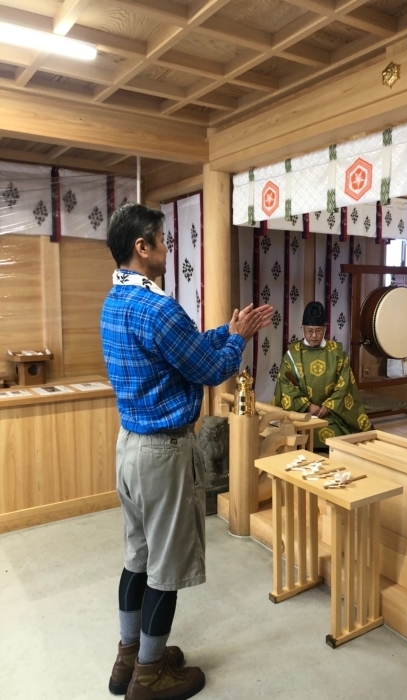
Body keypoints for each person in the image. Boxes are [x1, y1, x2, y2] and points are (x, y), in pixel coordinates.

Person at [100, 203, 273, 700]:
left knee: (137, 558)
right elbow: (206, 370)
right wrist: (237, 339)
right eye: (160, 239)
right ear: (142, 248)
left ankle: (128, 657)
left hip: (129, 447)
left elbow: (188, 349)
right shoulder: (159, 308)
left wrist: (226, 331)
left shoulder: (115, 302)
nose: (166, 247)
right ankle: (152, 675)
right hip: (163, 453)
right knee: (167, 567)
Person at [273, 301, 370, 450]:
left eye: (318, 330)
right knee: (293, 435)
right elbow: (285, 386)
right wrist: (307, 406)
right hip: (302, 414)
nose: (314, 336)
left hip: (333, 413)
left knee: (340, 439)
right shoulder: (292, 355)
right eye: (309, 330)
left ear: (325, 329)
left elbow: (345, 385)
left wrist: (328, 406)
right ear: (302, 329)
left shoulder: (337, 354)